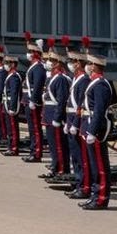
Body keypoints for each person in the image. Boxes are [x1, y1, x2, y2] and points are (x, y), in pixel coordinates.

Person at [80, 52, 113, 210]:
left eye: (89, 63)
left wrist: (92, 131)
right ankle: (95, 194)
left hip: (97, 128)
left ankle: (101, 197)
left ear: (94, 65)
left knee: (100, 165)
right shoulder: (94, 82)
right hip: (90, 124)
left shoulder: (100, 84)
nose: (87, 66)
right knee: (94, 165)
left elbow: (99, 110)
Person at [64, 51, 90, 199]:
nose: (70, 64)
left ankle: (83, 185)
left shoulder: (83, 80)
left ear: (79, 63)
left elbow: (80, 104)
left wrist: (75, 123)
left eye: (72, 61)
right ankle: (78, 183)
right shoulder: (76, 78)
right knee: (75, 157)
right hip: (71, 119)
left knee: (81, 158)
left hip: (77, 121)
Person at [41, 48, 70, 179]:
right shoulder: (53, 77)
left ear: (58, 62)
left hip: (54, 116)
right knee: (53, 144)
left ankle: (61, 169)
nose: (49, 62)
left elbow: (61, 100)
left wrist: (57, 118)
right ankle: (55, 166)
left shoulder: (61, 79)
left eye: (52, 60)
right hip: (49, 114)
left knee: (59, 145)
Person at [23, 40, 46, 163]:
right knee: (32, 129)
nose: (29, 54)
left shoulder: (38, 67)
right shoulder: (34, 66)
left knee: (36, 129)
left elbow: (37, 85)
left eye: (31, 51)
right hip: (28, 100)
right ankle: (33, 150)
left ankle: (36, 153)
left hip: (33, 102)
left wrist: (33, 99)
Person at [1, 54, 23, 156]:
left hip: (11, 104)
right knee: (9, 127)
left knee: (13, 127)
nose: (5, 65)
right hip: (7, 103)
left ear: (13, 64)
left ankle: (14, 148)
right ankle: (10, 146)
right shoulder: (10, 75)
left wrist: (12, 107)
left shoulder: (14, 76)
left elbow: (14, 93)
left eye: (7, 63)